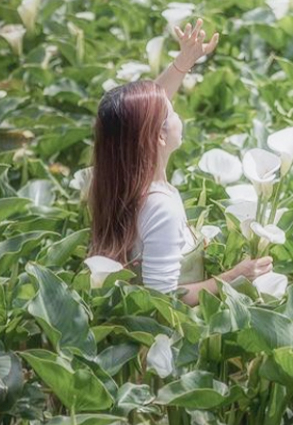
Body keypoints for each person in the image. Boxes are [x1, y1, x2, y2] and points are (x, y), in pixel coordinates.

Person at [87, 18, 273, 306]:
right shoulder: (160, 207)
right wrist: (236, 276)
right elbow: (162, 297)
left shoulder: (114, 176)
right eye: (172, 112)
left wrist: (182, 63)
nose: (179, 117)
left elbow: (137, 119)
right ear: (158, 137)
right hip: (173, 336)